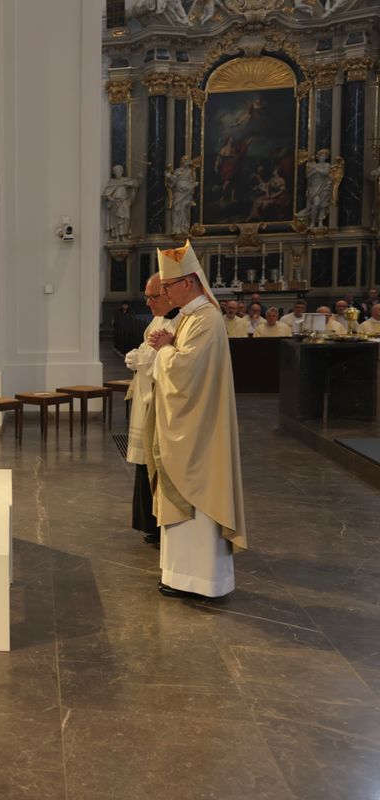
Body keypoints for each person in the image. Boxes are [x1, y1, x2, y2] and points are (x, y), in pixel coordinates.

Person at [148, 241, 248, 599]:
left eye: (168, 287)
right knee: (183, 501)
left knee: (198, 498)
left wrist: (164, 349)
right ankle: (180, 576)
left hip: (199, 432)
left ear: (188, 282)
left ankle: (201, 581)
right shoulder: (191, 317)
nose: (164, 293)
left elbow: (185, 371)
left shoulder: (205, 318)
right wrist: (170, 343)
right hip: (191, 424)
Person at [124, 273, 175, 546]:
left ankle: (157, 522)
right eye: (147, 296)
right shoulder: (159, 319)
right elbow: (147, 349)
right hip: (145, 395)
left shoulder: (180, 321)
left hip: (159, 398)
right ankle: (147, 522)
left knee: (154, 458)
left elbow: (156, 356)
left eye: (153, 296)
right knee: (144, 461)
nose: (148, 302)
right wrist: (138, 356)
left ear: (169, 294)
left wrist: (138, 357)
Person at [102, 165, 138, 242]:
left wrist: (128, 183)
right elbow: (105, 195)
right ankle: (117, 237)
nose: (117, 172)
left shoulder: (126, 180)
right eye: (115, 171)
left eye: (118, 171)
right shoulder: (112, 182)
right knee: (117, 221)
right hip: (115, 203)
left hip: (124, 202)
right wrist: (110, 198)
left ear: (122, 171)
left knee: (126, 218)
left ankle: (123, 235)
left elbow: (135, 183)